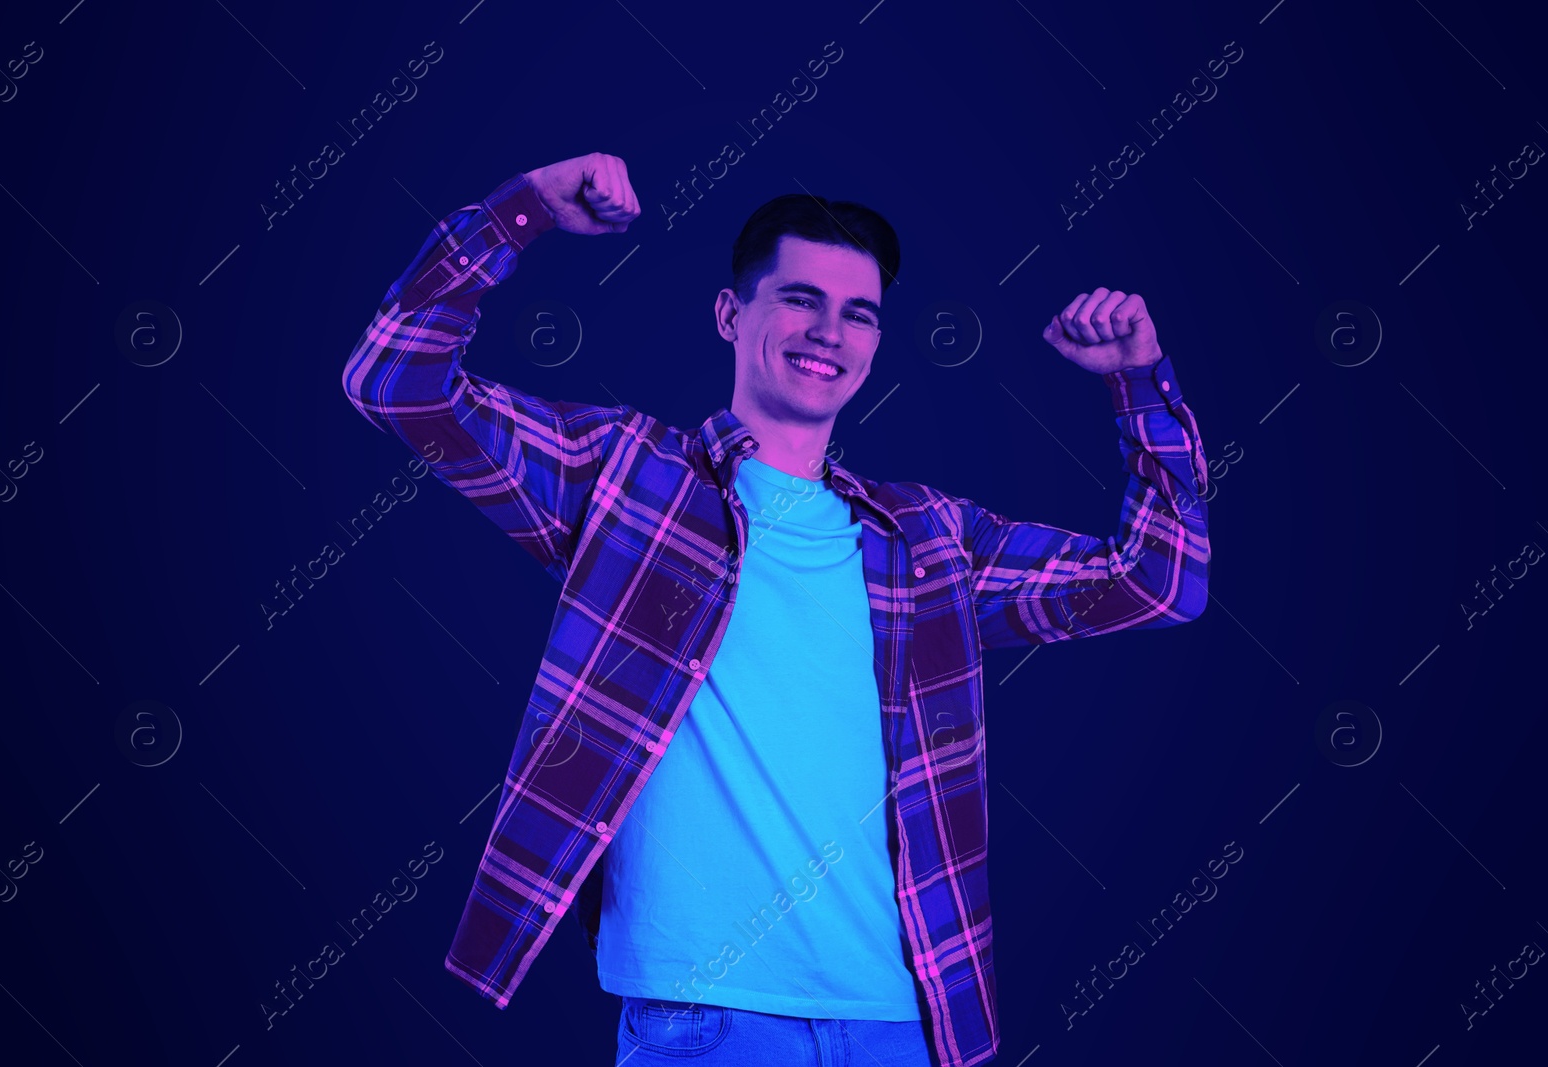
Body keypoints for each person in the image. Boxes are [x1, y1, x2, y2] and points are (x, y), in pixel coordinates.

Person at [341, 152, 1211, 1067]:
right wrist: (523, 214)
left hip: (903, 1020)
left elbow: (1161, 580)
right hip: (703, 1022)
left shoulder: (929, 543)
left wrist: (1139, 383)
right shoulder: (628, 478)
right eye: (800, 299)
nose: (828, 331)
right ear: (730, 313)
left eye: (858, 312)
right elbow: (394, 378)